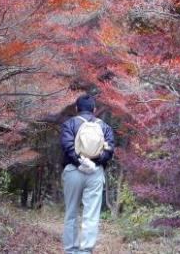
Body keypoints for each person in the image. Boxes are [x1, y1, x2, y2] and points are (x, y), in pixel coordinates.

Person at [60, 94, 115, 254]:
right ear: (94, 110)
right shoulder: (104, 126)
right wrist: (96, 162)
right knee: (91, 214)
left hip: (73, 171)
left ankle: (71, 250)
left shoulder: (69, 124)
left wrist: (79, 162)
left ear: (77, 109)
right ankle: (85, 251)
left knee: (71, 212)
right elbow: (109, 150)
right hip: (95, 172)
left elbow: (67, 146)